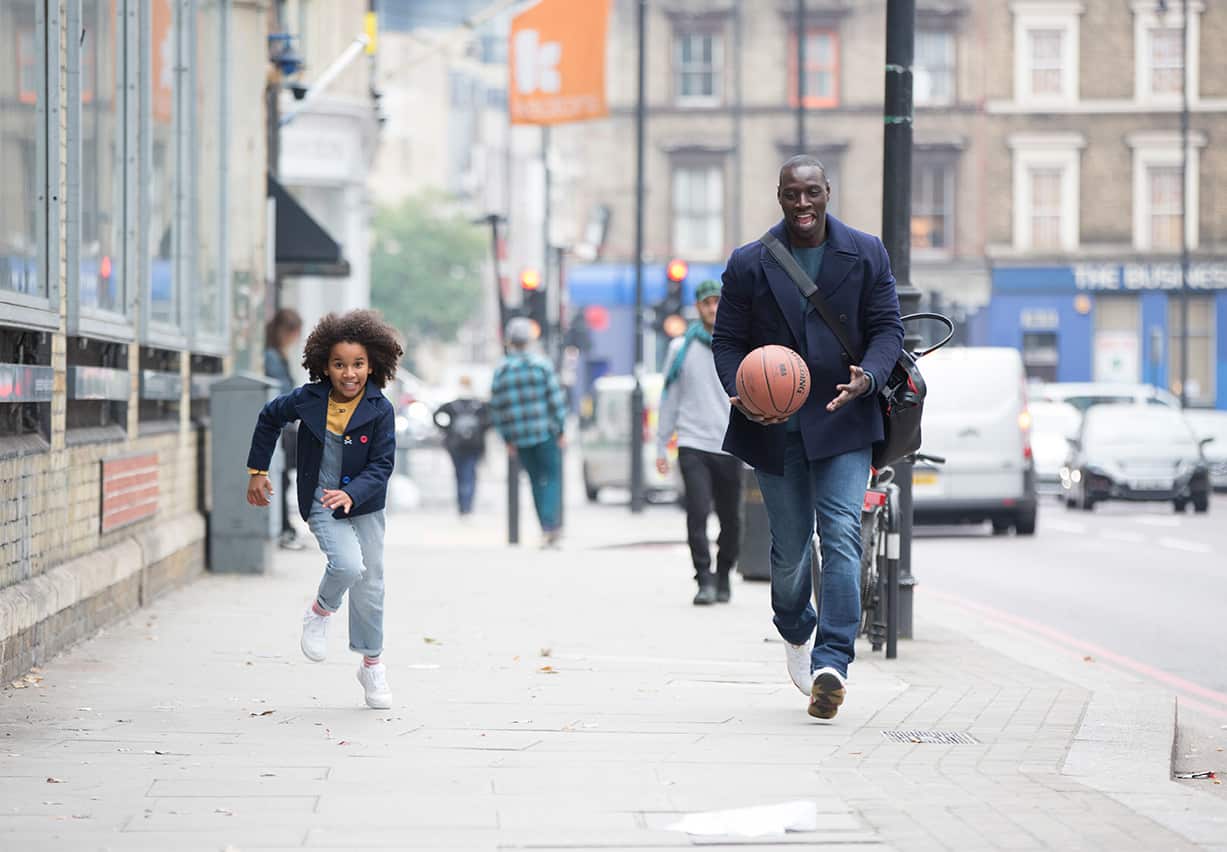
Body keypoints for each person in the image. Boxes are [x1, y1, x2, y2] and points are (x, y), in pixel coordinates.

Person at [711, 155, 904, 720]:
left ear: (827, 193)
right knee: (791, 550)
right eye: (792, 194)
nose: (802, 204)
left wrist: (868, 375)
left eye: (812, 193)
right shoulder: (749, 263)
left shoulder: (866, 252)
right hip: (773, 426)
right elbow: (727, 342)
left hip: (844, 417)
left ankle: (833, 662)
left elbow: (888, 326)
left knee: (841, 534)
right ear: (779, 196)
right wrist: (741, 391)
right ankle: (795, 628)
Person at [244, 309, 404, 710]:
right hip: (320, 500)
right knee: (348, 566)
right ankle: (319, 612)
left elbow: (382, 465)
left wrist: (354, 494)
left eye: (358, 364)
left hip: (364, 505)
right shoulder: (309, 399)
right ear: (324, 365)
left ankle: (372, 664)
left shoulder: (380, 410)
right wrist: (258, 471)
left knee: (371, 585)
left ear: (373, 365)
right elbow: (269, 417)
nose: (349, 374)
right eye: (339, 365)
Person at [656, 279, 743, 606]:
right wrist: (661, 444)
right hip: (692, 442)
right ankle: (703, 578)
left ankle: (723, 574)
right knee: (696, 512)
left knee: (731, 520)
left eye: (718, 302)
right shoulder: (682, 348)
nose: (713, 308)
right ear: (698, 307)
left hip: (730, 442)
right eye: (707, 303)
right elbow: (670, 397)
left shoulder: (737, 344)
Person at [489, 317, 567, 548]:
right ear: (531, 341)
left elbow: (497, 408)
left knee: (534, 481)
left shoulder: (502, 370)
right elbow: (555, 401)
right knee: (551, 478)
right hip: (545, 433)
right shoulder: (541, 366)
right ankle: (551, 526)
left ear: (510, 342)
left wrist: (507, 438)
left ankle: (545, 526)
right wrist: (561, 429)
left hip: (519, 438)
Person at [264, 308, 304, 550]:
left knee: (284, 477)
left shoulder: (277, 355)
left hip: (286, 425)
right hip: (282, 426)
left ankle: (285, 526)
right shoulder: (272, 357)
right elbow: (282, 392)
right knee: (281, 477)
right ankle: (282, 527)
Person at [434, 376, 490, 516]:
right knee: (469, 473)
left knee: (460, 474)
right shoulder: (479, 405)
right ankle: (467, 505)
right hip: (474, 445)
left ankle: (462, 505)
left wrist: (447, 429)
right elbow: (490, 420)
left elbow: (436, 415)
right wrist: (480, 430)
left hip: (455, 445)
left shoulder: (452, 405)